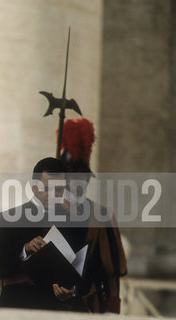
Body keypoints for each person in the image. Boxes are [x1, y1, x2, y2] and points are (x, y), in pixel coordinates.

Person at [0, 157, 90, 311]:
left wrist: (72, 290)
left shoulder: (75, 223)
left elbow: (87, 275)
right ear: (33, 187)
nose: (52, 194)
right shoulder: (10, 219)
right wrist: (25, 250)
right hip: (18, 305)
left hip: (59, 308)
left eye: (59, 189)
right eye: (47, 188)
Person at [60, 118, 127, 313]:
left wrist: (112, 308)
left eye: (84, 176)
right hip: (50, 303)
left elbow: (112, 270)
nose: (80, 181)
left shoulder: (102, 215)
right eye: (74, 175)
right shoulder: (44, 211)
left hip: (89, 304)